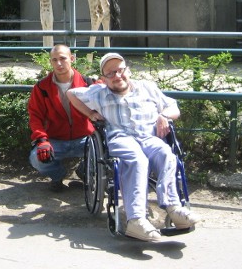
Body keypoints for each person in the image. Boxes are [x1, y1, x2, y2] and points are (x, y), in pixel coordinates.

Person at [67, 52, 201, 242]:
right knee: (137, 160)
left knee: (166, 154)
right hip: (121, 138)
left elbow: (174, 108)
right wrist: (90, 113)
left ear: (128, 71)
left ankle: (174, 207)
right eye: (110, 73)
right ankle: (136, 220)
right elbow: (71, 93)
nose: (117, 76)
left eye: (120, 71)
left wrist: (163, 115)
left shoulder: (147, 87)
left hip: (148, 136)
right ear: (104, 79)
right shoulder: (99, 92)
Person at [28, 44, 95, 192]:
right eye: (54, 60)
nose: (59, 63)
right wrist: (41, 140)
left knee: (108, 149)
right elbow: (35, 117)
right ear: (50, 62)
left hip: (84, 138)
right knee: (36, 158)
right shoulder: (41, 88)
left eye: (63, 58)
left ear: (72, 59)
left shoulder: (88, 83)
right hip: (55, 140)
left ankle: (84, 172)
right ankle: (58, 176)